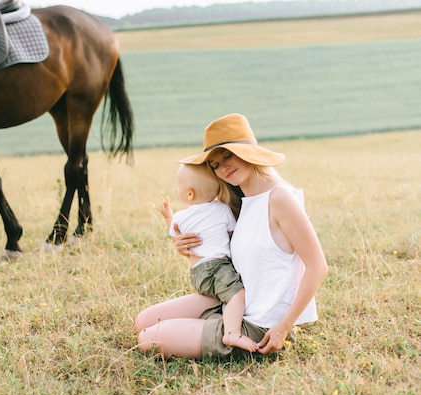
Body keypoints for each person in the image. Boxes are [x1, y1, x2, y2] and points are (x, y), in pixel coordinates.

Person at [135, 113, 328, 360]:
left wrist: (284, 326)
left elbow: (317, 266)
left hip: (258, 326)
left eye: (228, 155)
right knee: (143, 321)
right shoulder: (241, 202)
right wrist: (184, 245)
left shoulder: (279, 198)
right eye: (214, 164)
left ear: (249, 151)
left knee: (148, 338)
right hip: (232, 303)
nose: (222, 167)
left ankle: (230, 333)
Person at [160, 163, 258, 352]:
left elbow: (175, 234)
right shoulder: (222, 209)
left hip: (197, 274)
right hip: (217, 268)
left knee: (230, 295)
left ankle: (224, 328)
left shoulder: (181, 216)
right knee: (237, 295)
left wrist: (168, 216)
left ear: (189, 193)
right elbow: (233, 233)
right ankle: (232, 333)